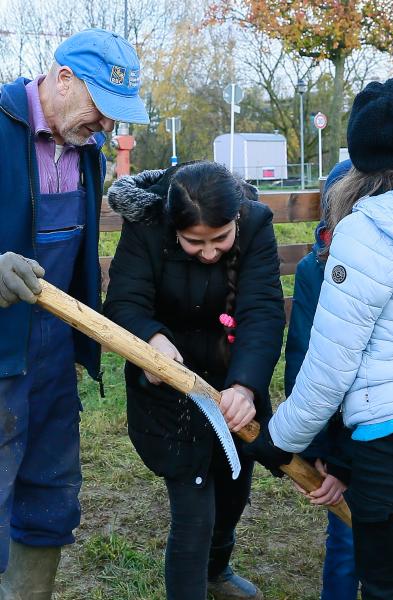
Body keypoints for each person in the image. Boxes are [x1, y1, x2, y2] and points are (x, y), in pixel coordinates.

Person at [245, 79, 393, 600]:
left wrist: (278, 438)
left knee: (387, 590)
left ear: (359, 159)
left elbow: (329, 365)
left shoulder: (364, 231)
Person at [0, 28, 148, 598]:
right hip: (2, 350)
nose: (107, 126)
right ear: (63, 79)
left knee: (50, 491)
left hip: (55, 351)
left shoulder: (82, 147)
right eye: (101, 109)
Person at [103, 161, 285, 600]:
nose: (208, 253)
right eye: (193, 242)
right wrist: (150, 340)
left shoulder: (256, 226)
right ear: (173, 227)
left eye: (220, 240)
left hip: (231, 384)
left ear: (236, 219)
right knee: (193, 510)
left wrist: (245, 385)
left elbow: (261, 312)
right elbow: (124, 301)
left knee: (235, 487)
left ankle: (216, 572)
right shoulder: (146, 225)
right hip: (168, 390)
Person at [285, 159, 358, 600]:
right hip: (339, 427)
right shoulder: (317, 269)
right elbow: (303, 359)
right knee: (347, 535)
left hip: (386, 430)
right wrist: (316, 450)